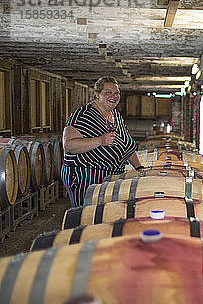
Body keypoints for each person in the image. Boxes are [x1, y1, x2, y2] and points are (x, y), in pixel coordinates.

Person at [61, 76, 143, 207]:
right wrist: (99, 140)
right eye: (108, 92)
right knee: (86, 215)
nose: (114, 96)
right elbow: (69, 145)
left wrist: (139, 168)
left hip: (111, 179)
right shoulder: (82, 116)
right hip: (86, 177)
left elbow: (126, 147)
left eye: (116, 93)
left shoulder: (115, 115)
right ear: (97, 94)